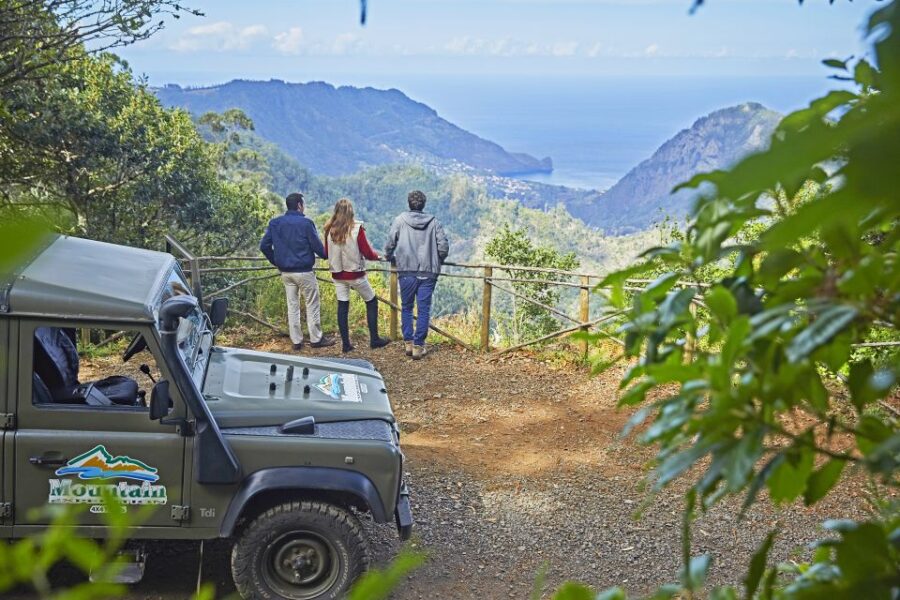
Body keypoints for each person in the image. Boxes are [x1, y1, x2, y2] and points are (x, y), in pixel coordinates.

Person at [260, 192, 334, 349]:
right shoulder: (306, 223)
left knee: (292, 306)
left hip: (286, 273)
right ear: (299, 205)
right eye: (303, 204)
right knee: (312, 304)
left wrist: (276, 261)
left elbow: (264, 246)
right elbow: (318, 249)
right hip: (304, 271)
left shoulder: (275, 223)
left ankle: (296, 341)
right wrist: (326, 253)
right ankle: (316, 339)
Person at [384, 190, 449, 360]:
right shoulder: (434, 222)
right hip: (428, 272)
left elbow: (390, 243)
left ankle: (408, 343)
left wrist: (389, 256)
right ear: (423, 204)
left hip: (406, 270)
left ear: (409, 203)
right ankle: (418, 346)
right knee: (423, 309)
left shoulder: (400, 220)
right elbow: (443, 247)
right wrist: (437, 260)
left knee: (406, 307)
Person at [323, 198, 391, 353]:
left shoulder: (329, 229)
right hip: (355, 274)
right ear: (350, 212)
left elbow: (326, 252)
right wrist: (377, 257)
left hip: (337, 274)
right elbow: (367, 252)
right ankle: (374, 339)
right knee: (371, 301)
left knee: (342, 306)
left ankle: (346, 344)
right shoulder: (356, 229)